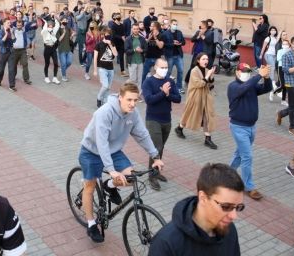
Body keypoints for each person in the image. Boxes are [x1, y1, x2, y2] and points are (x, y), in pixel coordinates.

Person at [79, 82, 164, 243]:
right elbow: (101, 142)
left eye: (136, 100)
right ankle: (91, 224)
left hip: (113, 151)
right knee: (89, 187)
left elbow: (142, 134)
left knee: (131, 178)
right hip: (91, 150)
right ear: (120, 98)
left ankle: (109, 186)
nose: (132, 104)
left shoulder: (133, 113)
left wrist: (155, 156)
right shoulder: (105, 112)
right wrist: (111, 169)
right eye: (129, 100)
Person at [149, 163, 244, 255]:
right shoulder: (166, 244)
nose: (234, 216)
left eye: (238, 207)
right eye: (226, 207)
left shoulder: (228, 229)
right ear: (203, 198)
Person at [227, 63, 272, 201]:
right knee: (247, 156)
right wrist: (259, 75)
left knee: (240, 153)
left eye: (248, 71)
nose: (247, 73)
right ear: (237, 72)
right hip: (238, 127)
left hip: (251, 127)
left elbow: (267, 88)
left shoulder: (251, 85)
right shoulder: (233, 87)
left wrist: (267, 78)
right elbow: (243, 88)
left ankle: (227, 174)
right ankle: (249, 187)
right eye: (244, 71)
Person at [142, 58, 181, 190]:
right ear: (155, 67)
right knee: (156, 147)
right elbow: (149, 100)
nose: (164, 70)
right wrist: (162, 93)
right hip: (153, 119)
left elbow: (178, 98)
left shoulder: (169, 81)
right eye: (162, 67)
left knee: (160, 147)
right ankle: (152, 175)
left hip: (167, 120)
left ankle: (156, 171)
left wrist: (168, 94)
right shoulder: (148, 82)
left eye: (166, 67)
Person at [175, 53, 218, 149]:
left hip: (205, 98)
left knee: (207, 116)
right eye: (203, 59)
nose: (206, 61)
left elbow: (210, 84)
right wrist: (207, 76)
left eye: (206, 59)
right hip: (195, 97)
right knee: (189, 114)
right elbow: (199, 84)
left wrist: (211, 75)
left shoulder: (207, 70)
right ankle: (179, 128)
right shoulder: (194, 71)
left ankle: (208, 138)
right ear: (198, 60)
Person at [93, 27, 118, 107]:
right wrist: (95, 70)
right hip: (102, 68)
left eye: (109, 34)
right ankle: (99, 98)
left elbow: (116, 54)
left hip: (111, 69)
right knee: (105, 86)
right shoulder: (98, 45)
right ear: (103, 35)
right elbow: (95, 58)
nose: (108, 35)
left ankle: (105, 102)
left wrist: (110, 44)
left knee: (108, 87)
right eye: (107, 34)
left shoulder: (112, 43)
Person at [8, 18, 32, 91]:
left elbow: (29, 23)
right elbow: (8, 25)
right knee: (14, 65)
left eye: (20, 25)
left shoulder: (24, 30)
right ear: (16, 25)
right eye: (18, 25)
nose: (19, 26)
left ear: (22, 25)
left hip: (23, 51)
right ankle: (13, 77)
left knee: (25, 64)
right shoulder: (13, 30)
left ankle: (26, 79)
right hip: (14, 51)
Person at [164, 19, 185, 94]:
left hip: (178, 55)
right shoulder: (166, 33)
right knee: (168, 72)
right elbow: (164, 44)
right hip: (170, 56)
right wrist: (173, 43)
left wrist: (180, 43)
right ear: (170, 24)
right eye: (174, 24)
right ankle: (166, 86)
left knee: (181, 71)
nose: (175, 26)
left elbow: (184, 42)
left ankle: (179, 87)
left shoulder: (179, 32)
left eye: (176, 24)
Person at [259, 26, 279, 101]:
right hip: (268, 55)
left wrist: (280, 32)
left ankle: (262, 75)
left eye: (274, 30)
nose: (273, 31)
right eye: (272, 30)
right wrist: (261, 54)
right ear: (269, 31)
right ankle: (272, 82)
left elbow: (278, 41)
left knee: (270, 68)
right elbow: (264, 47)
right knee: (272, 67)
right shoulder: (268, 38)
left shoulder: (275, 38)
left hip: (274, 55)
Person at [41, 16, 61, 84]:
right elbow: (43, 30)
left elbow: (57, 25)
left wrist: (54, 17)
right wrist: (46, 22)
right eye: (49, 25)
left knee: (56, 63)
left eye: (52, 25)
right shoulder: (45, 32)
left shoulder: (54, 31)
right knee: (47, 63)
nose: (51, 27)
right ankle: (46, 77)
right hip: (47, 48)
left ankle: (55, 78)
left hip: (53, 49)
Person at [0, 18, 14, 88]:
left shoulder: (11, 31)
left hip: (11, 52)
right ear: (4, 23)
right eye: (8, 23)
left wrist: (12, 33)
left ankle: (12, 85)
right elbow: (1, 42)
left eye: (10, 23)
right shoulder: (0, 31)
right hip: (3, 52)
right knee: (1, 69)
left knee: (11, 69)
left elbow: (14, 40)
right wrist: (6, 34)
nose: (9, 24)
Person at [57, 17, 75, 81]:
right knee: (63, 63)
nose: (65, 21)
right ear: (61, 21)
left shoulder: (68, 28)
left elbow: (69, 39)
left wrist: (72, 35)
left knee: (69, 62)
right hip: (61, 49)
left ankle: (62, 69)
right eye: (64, 20)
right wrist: (64, 33)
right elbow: (59, 39)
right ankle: (64, 76)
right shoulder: (59, 29)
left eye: (66, 20)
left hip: (68, 49)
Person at [274, 37, 290, 106]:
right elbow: (278, 59)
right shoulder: (280, 51)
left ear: (289, 45)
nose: (285, 45)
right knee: (282, 84)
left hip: (288, 68)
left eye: (286, 44)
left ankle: (283, 100)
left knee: (286, 85)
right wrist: (285, 56)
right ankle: (274, 92)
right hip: (281, 68)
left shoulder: (290, 51)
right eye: (283, 44)